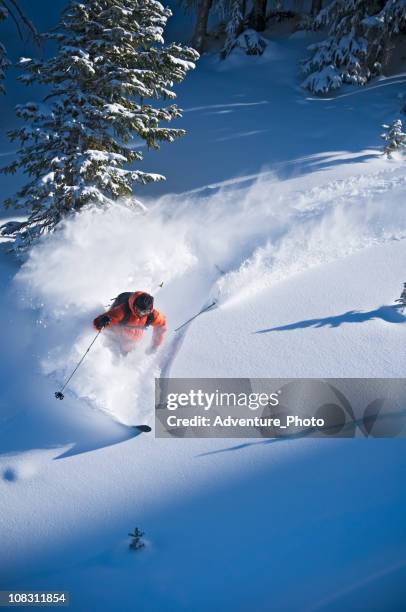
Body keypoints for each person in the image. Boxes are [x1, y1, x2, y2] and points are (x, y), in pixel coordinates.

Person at [93, 291, 166, 355]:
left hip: (131, 345)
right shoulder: (122, 311)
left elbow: (161, 325)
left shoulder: (152, 315)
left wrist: (155, 345)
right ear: (134, 306)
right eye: (139, 311)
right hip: (115, 340)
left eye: (145, 312)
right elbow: (99, 322)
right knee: (115, 362)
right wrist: (101, 322)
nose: (142, 314)